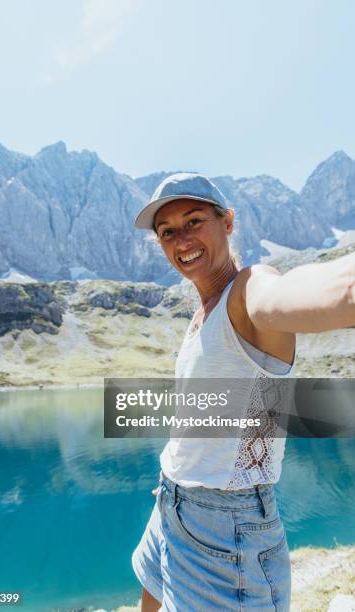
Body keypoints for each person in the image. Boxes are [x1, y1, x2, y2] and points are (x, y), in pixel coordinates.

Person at [131, 172, 355, 611]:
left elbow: (294, 295)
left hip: (227, 530)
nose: (182, 240)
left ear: (228, 222)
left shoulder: (248, 293)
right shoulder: (202, 312)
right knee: (149, 596)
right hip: (171, 501)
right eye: (168, 232)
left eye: (194, 221)